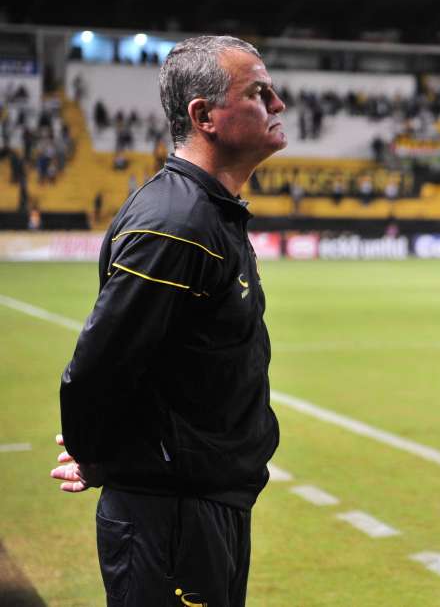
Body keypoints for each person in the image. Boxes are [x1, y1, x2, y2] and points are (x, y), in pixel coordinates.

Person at [50, 36, 286, 606]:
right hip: (171, 514)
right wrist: (95, 450)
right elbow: (100, 362)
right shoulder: (175, 222)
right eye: (259, 93)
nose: (277, 104)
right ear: (203, 116)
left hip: (206, 503)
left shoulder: (208, 212)